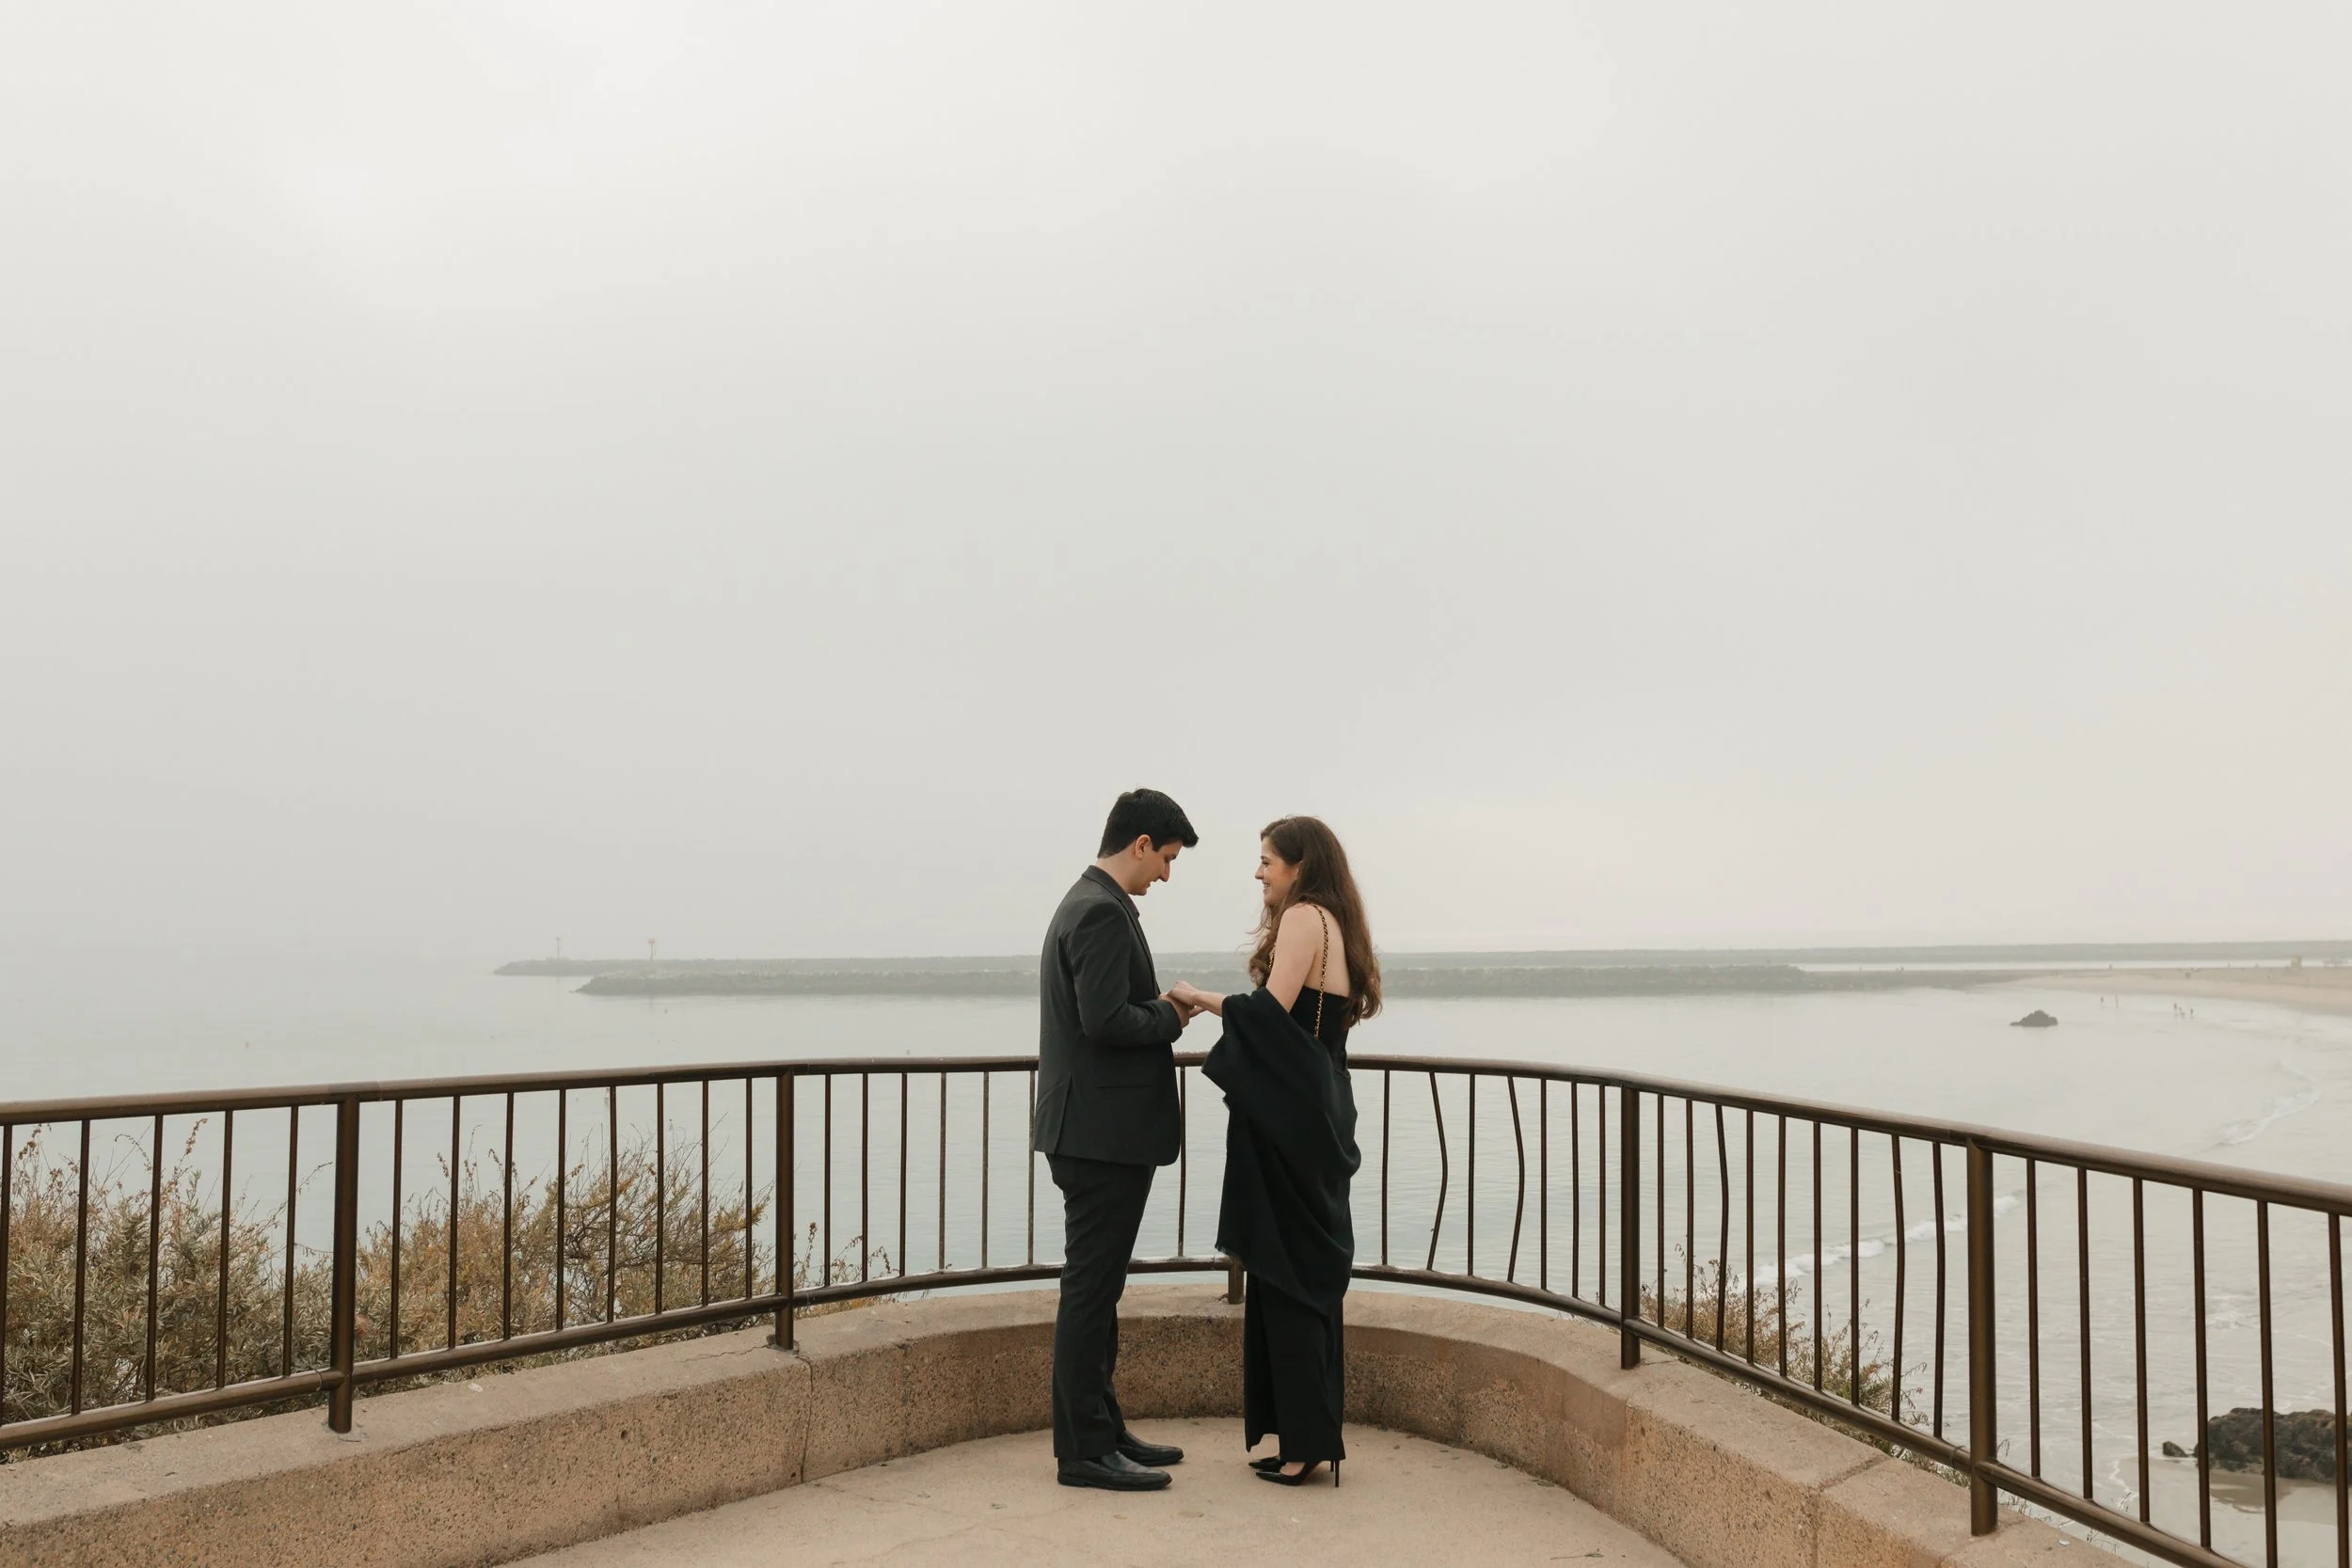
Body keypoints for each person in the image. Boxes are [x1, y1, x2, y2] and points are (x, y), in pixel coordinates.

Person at [1170, 815, 1380, 1488]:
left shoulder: (1302, 918)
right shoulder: (1336, 922)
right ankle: (1308, 1436)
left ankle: (1304, 1447)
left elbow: (1270, 1012)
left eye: (1266, 860)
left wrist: (1201, 999)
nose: (1259, 872)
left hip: (1293, 1121)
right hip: (1323, 1107)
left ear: (1297, 866)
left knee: (1287, 1274)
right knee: (1308, 1273)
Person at [1032, 787, 1204, 1492]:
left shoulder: (1088, 902)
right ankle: (1083, 1450)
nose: (1166, 873)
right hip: (1099, 1138)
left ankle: (1103, 1426)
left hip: (1094, 1133)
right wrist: (1169, 1013)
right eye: (1165, 859)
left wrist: (1156, 1007)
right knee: (1090, 1290)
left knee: (1099, 1290)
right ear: (1139, 844)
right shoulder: (1099, 911)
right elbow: (1104, 1021)